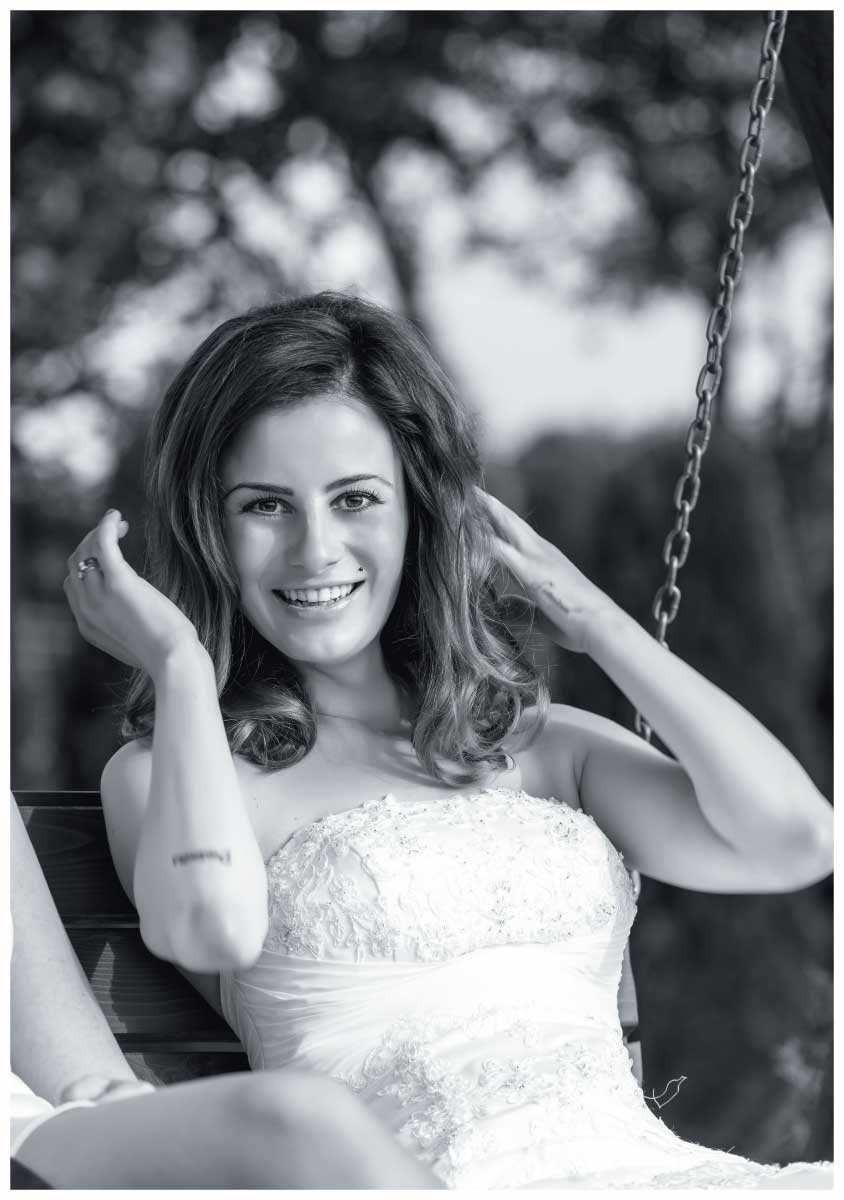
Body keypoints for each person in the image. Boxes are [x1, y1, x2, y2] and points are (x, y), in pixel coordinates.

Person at [63, 292, 834, 1188]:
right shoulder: (169, 776)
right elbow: (212, 932)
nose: (316, 550)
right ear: (210, 531)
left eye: (356, 498)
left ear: (419, 513)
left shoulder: (545, 749)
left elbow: (797, 840)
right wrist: (181, 667)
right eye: (265, 506)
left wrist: (594, 618)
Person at [10, 795, 440, 1188]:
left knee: (296, 1127)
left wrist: (124, 1112)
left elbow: (73, 1062)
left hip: (36, 1140)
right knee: (298, 1117)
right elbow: (218, 935)